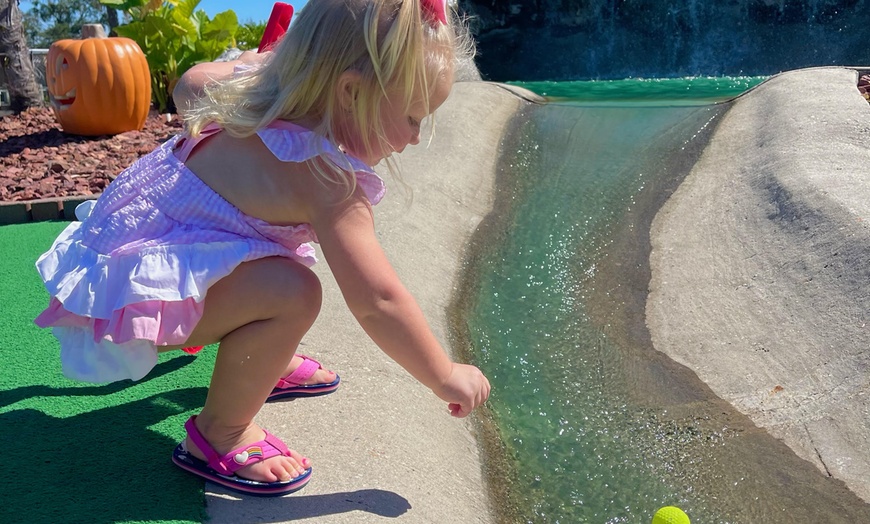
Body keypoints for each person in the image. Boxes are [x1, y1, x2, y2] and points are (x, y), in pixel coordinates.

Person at [33, 0, 490, 497]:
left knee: (277, 263)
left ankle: (262, 359)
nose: (418, 137)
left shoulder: (255, 91)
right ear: (350, 91)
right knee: (293, 291)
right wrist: (444, 375)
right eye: (412, 117)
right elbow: (377, 301)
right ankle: (219, 433)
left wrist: (253, 63)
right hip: (130, 308)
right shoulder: (325, 178)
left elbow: (188, 82)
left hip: (117, 263)